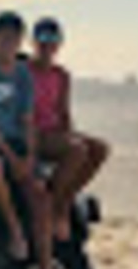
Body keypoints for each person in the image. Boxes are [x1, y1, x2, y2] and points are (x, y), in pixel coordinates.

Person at [0, 10, 70, 269]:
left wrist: (28, 156)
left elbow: (28, 120)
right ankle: (14, 228)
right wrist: (12, 157)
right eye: (4, 38)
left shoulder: (23, 74)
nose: (9, 44)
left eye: (14, 39)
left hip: (17, 142)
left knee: (39, 196)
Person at [29, 17, 109, 241]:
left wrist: (69, 132)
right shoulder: (24, 72)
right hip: (35, 133)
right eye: (42, 38)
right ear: (33, 42)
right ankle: (57, 207)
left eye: (52, 38)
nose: (47, 43)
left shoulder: (61, 75)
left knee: (100, 149)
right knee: (77, 151)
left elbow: (63, 110)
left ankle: (66, 196)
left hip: (55, 131)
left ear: (59, 43)